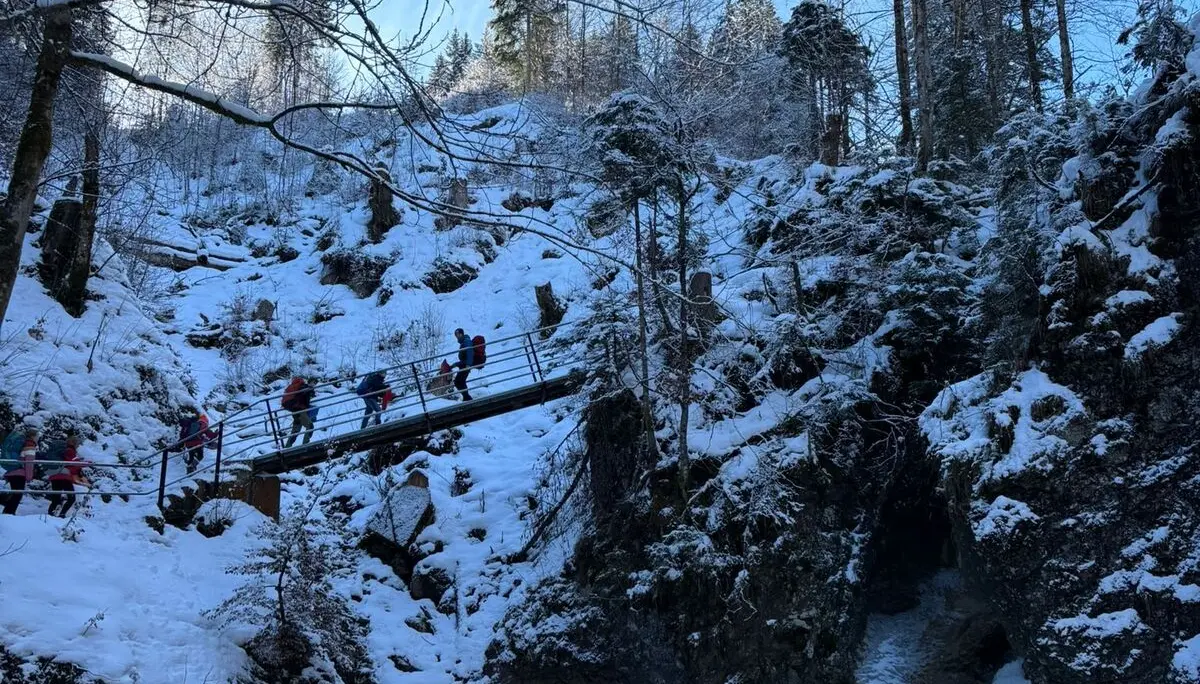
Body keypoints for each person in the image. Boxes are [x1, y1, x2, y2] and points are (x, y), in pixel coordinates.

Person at [45, 434, 86, 518]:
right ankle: (62, 514)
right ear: (75, 443)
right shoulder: (70, 450)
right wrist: (82, 466)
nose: (78, 446)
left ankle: (50, 516)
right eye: (78, 444)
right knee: (71, 498)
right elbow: (72, 463)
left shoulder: (62, 450)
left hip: (55, 475)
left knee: (56, 498)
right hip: (64, 477)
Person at [1, 426, 38, 515]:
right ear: (34, 436)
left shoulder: (24, 443)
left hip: (13, 471)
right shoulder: (30, 446)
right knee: (17, 495)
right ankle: (9, 514)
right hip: (19, 473)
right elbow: (29, 463)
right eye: (37, 437)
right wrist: (29, 477)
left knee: (15, 494)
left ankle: (8, 513)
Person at [178, 408, 217, 474]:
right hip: (197, 443)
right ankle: (192, 467)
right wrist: (217, 433)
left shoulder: (190, 424)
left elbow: (183, 434)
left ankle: (190, 472)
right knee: (200, 456)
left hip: (188, 443)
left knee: (191, 455)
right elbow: (210, 435)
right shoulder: (203, 424)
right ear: (206, 421)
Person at [281, 376, 316, 448]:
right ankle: (306, 445)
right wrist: (310, 389)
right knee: (310, 426)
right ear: (310, 382)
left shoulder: (299, 387)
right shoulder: (304, 386)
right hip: (300, 411)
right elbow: (303, 391)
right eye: (314, 382)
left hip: (295, 410)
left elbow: (305, 396)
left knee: (296, 430)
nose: (314, 384)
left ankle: (287, 447)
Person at [452, 328, 478, 401]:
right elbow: (464, 357)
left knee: (458, 381)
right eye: (455, 335)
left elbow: (470, 352)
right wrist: (455, 364)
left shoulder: (467, 341)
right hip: (464, 365)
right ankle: (466, 398)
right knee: (460, 381)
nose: (456, 336)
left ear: (461, 334)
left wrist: (468, 365)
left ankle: (467, 398)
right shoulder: (464, 342)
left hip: (466, 366)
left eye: (457, 334)